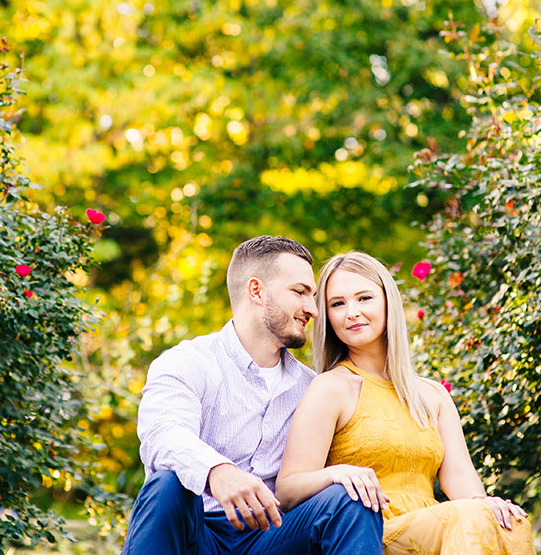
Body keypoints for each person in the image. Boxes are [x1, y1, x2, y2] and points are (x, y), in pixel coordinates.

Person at [121, 236, 385, 555]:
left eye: (313, 296)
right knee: (168, 485)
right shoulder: (188, 361)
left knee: (348, 497)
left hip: (271, 538)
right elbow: (163, 434)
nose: (313, 310)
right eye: (300, 292)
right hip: (195, 534)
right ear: (256, 291)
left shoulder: (311, 387)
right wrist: (218, 471)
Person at [275, 251, 535, 555]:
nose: (352, 312)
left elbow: (461, 477)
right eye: (337, 304)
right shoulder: (331, 387)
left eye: (364, 298)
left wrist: (486, 504)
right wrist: (337, 474)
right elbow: (288, 488)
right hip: (370, 532)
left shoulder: (432, 395)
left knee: (510, 521)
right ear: (328, 317)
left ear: (388, 302)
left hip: (436, 528)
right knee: (469, 517)